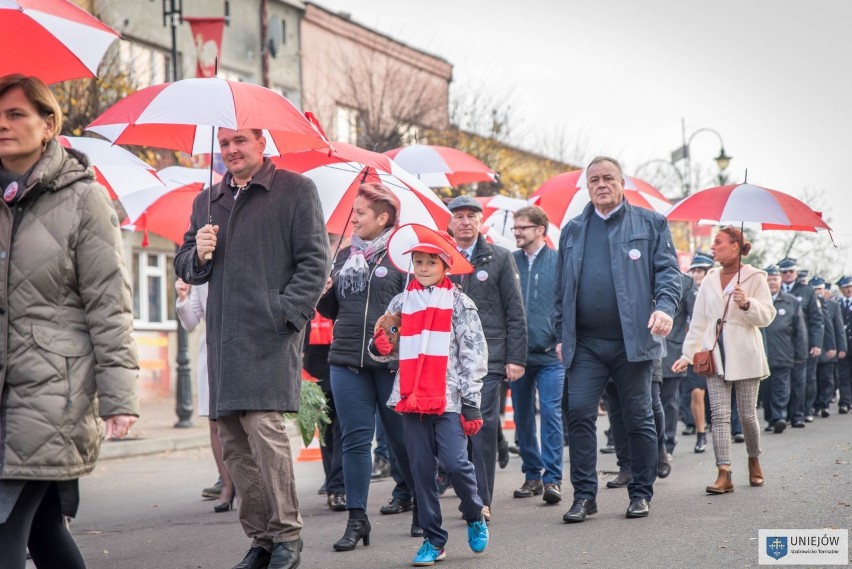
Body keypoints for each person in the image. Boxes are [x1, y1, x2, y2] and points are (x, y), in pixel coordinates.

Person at [0, 74, 139, 569]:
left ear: (48, 124)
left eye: (16, 114)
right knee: (41, 527)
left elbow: (108, 305)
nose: (2, 124)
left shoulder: (84, 199)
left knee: (5, 528)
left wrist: (119, 397)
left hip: (50, 388)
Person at [175, 127, 330, 569]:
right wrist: (198, 255)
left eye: (240, 141)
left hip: (269, 337)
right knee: (234, 444)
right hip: (223, 341)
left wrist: (282, 314)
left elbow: (315, 263)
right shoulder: (206, 200)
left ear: (262, 143)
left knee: (265, 435)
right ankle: (261, 540)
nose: (230, 151)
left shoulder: (296, 190)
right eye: (224, 144)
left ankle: (287, 537)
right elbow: (186, 265)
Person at [555, 156, 681, 523]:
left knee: (638, 418)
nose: (601, 184)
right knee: (578, 414)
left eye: (608, 178)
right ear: (587, 186)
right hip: (586, 345)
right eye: (594, 179)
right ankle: (583, 497)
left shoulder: (651, 223)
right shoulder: (574, 230)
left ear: (623, 183)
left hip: (634, 342)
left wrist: (666, 309)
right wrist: (562, 332)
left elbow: (669, 275)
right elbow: (562, 290)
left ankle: (640, 493)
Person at [370, 224, 489, 566]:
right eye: (418, 262)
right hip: (410, 398)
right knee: (421, 469)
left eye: (430, 262)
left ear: (445, 265)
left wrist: (471, 402)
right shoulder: (400, 301)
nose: (422, 268)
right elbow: (387, 347)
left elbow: (473, 353)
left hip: (448, 398)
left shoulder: (460, 303)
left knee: (455, 462)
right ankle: (433, 540)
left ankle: (474, 514)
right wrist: (379, 347)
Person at [315, 183, 420, 551]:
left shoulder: (404, 259)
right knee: (355, 441)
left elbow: (416, 312)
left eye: (360, 212)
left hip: (390, 365)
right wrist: (325, 291)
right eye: (354, 211)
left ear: (383, 217)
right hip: (345, 362)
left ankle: (421, 504)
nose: (354, 217)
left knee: (401, 440)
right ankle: (357, 520)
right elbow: (332, 312)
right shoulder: (344, 257)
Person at [673, 227, 776, 494]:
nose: (713, 247)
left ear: (735, 246)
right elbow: (698, 321)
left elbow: (767, 316)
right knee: (718, 416)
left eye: (718, 242)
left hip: (746, 354)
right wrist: (687, 354)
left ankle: (754, 458)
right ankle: (724, 472)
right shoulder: (708, 279)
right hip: (714, 354)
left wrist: (747, 304)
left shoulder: (755, 277)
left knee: (746, 415)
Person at [445, 194, 527, 521]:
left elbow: (515, 311)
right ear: (450, 222)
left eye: (471, 216)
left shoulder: (500, 257)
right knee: (452, 429)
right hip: (448, 360)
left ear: (481, 221)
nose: (465, 221)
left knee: (479, 426)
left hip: (489, 359)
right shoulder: (440, 258)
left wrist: (516, 357)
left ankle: (480, 501)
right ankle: (464, 489)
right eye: (459, 216)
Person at [508, 205, 564, 504]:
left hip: (550, 355)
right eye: (515, 228)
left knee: (551, 413)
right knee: (523, 416)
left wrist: (563, 338)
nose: (517, 232)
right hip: (517, 356)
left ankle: (552, 478)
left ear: (540, 230)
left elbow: (567, 303)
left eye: (523, 227)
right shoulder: (510, 261)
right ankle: (532, 475)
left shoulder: (558, 262)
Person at [175, 279, 236, 513]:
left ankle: (250, 484)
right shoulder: (203, 274)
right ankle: (227, 485)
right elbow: (191, 322)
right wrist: (182, 297)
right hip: (211, 350)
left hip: (242, 348)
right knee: (215, 423)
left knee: (245, 419)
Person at [759, 265, 807, 433]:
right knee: (766, 389)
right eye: (769, 279)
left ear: (780, 281)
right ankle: (771, 418)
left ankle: (779, 416)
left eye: (775, 279)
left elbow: (799, 330)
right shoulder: (758, 301)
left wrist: (801, 353)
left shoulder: (791, 301)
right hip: (762, 355)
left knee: (781, 387)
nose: (772, 282)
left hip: (784, 353)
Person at [777, 257, 823, 428]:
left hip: (802, 343)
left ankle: (800, 413)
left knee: (801, 380)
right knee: (782, 381)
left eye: (791, 271)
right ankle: (783, 415)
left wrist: (816, 344)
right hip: (782, 344)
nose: (788, 274)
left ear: (796, 273)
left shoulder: (807, 291)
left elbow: (817, 320)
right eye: (784, 272)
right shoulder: (774, 289)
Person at [661, 271, 697, 457]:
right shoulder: (640, 272)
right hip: (644, 348)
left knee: (669, 400)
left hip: (671, 349)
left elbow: (696, 316)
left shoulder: (685, 281)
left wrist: (689, 347)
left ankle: (667, 445)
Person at [680, 253, 713, 452]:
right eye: (693, 270)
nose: (696, 274)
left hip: (716, 347)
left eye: (700, 270)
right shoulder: (687, 291)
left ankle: (723, 429)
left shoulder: (718, 289)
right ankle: (701, 433)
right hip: (695, 348)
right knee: (697, 392)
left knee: (717, 396)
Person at [811, 277, 846, 418]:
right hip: (813, 348)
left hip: (827, 348)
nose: (817, 292)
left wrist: (840, 347)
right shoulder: (808, 304)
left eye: (819, 289)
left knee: (827, 379)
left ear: (824, 290)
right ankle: (815, 405)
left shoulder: (833, 305)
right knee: (814, 380)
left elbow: (838, 328)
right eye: (814, 289)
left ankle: (824, 404)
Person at [835, 277, 852, 414]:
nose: (849, 290)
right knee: (844, 374)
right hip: (844, 345)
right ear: (841, 289)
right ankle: (845, 401)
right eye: (846, 287)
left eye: (851, 286)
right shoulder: (837, 304)